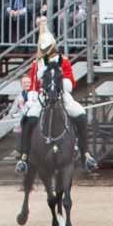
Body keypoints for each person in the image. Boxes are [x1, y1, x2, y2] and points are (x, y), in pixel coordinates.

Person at [14, 18, 90, 173]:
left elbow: (71, 81)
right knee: (28, 119)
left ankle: (85, 153)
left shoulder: (64, 62)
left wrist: (62, 85)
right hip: (43, 95)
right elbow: (34, 84)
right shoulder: (36, 64)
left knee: (81, 115)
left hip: (62, 94)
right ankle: (24, 156)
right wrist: (33, 95)